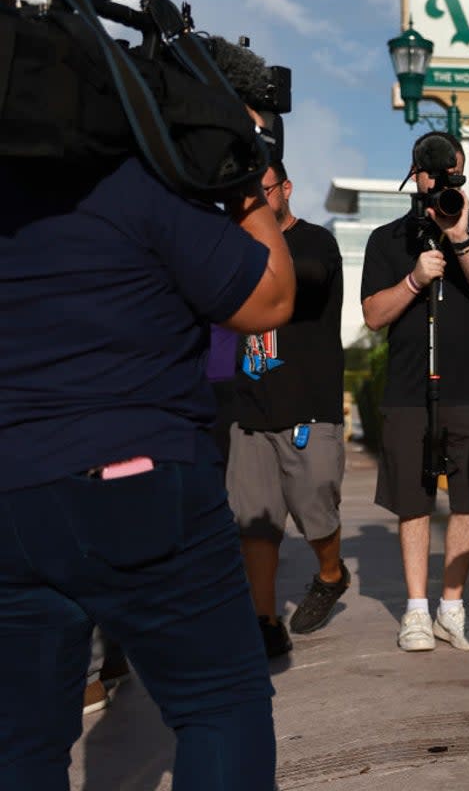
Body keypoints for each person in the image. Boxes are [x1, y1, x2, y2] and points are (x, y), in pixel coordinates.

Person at [0, 145, 295, 788]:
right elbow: (267, 302)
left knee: (20, 745)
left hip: (11, 492)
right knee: (219, 705)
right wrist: (242, 178)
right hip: (135, 475)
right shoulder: (129, 183)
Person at [361, 131, 469, 653]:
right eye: (431, 170)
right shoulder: (387, 238)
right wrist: (413, 279)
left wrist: (460, 235)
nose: (440, 178)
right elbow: (374, 315)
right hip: (407, 391)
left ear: (463, 173)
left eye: (451, 170)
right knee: (414, 503)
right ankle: (417, 612)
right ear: (415, 174)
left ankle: (453, 608)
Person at [226, 160, 349, 658]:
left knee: (315, 507)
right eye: (244, 195)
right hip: (250, 407)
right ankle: (264, 620)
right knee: (254, 522)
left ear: (286, 190)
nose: (253, 201)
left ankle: (331, 574)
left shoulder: (314, 240)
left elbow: (310, 280)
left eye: (263, 191)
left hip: (308, 405)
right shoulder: (231, 249)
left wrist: (258, 239)